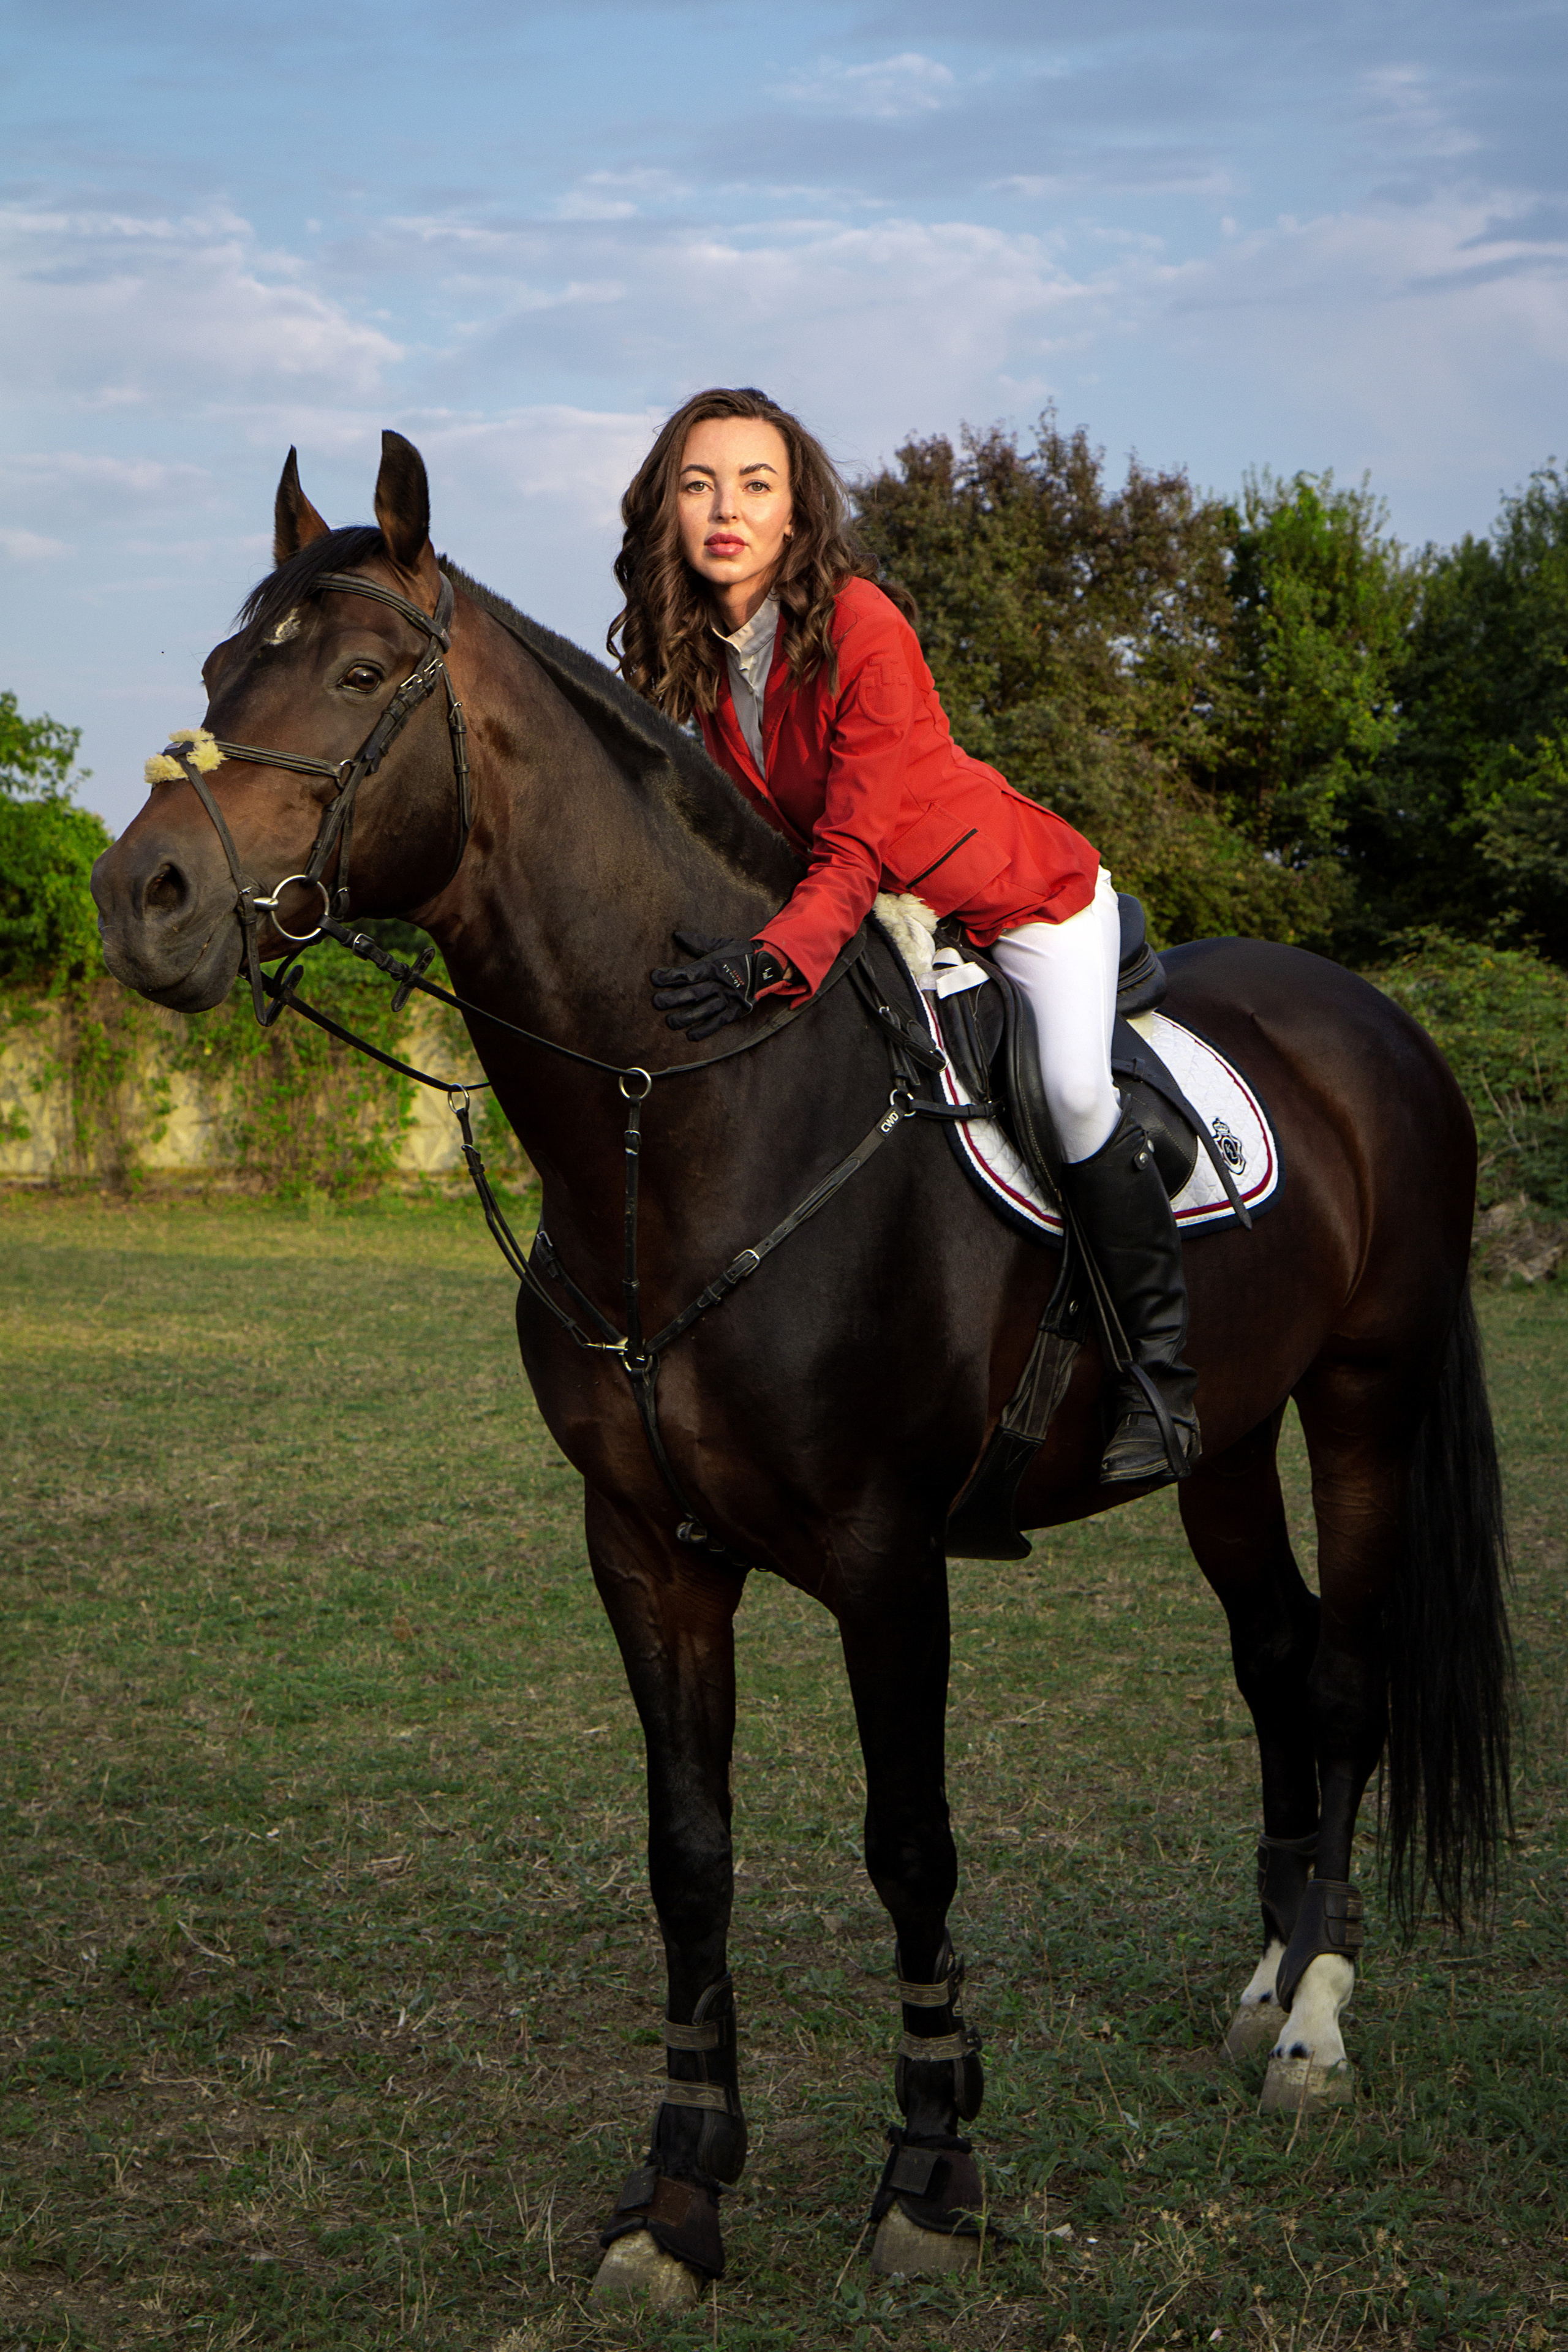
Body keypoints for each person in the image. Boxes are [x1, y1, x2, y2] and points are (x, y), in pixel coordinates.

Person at [609, 386, 1197, 1487]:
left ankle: (1160, 1382)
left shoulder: (863, 623)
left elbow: (849, 851)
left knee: (1074, 1092)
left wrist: (771, 961)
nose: (726, 509)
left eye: (755, 485)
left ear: (796, 511)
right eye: (699, 485)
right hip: (889, 920)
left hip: (1015, 902)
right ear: (667, 511)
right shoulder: (706, 654)